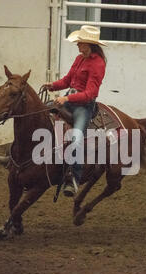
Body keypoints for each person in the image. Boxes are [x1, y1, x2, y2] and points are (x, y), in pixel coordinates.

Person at [45, 25, 107, 197]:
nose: (78, 46)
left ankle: (73, 179)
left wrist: (66, 99)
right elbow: (67, 80)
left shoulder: (98, 63)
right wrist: (53, 85)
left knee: (76, 138)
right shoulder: (80, 58)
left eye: (80, 43)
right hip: (70, 100)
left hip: (84, 106)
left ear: (89, 44)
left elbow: (90, 94)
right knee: (39, 114)